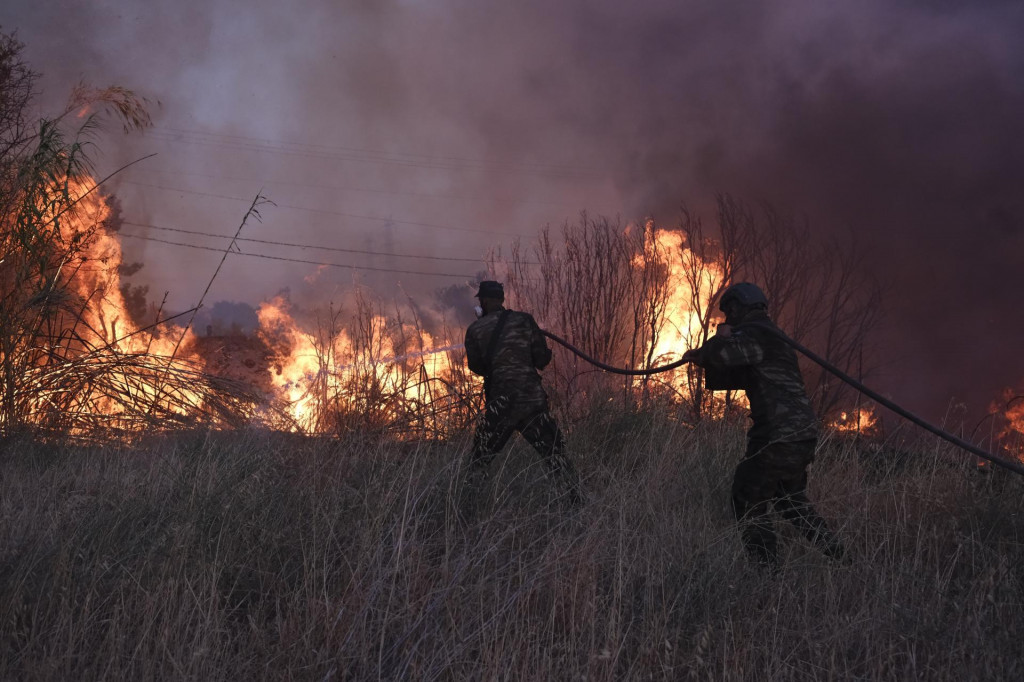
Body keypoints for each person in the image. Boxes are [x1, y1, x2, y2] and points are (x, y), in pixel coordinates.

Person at [682, 282, 847, 569]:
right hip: (802, 435)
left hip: (776, 436)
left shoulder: (756, 334)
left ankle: (767, 573)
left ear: (739, 308)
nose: (727, 319)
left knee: (747, 497)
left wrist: (718, 341)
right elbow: (740, 377)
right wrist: (703, 360)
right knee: (790, 500)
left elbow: (723, 354)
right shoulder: (773, 339)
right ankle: (839, 557)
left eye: (729, 312)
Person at [460, 280, 583, 519]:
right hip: (531, 403)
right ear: (502, 299)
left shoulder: (475, 330)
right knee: (555, 455)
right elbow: (541, 360)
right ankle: (576, 504)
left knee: (480, 460)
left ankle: (466, 511)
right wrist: (543, 353)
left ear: (483, 302)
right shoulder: (525, 321)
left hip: (500, 406)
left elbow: (477, 367)